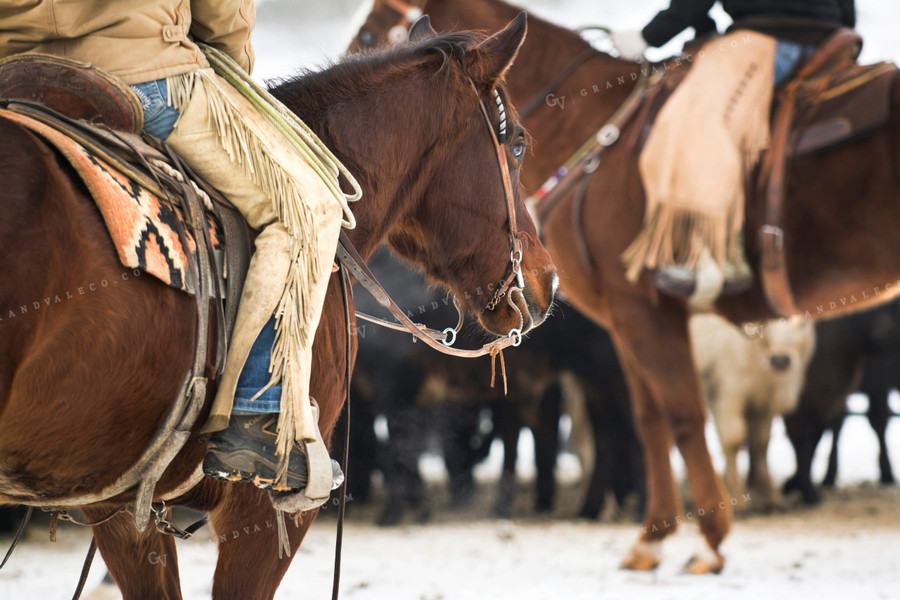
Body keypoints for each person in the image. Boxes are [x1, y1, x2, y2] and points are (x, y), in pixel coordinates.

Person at [0, 0, 352, 503]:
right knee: (309, 206)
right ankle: (261, 413)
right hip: (142, 75)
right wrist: (233, 65)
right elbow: (221, 12)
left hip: (13, 75)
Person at [612, 1, 856, 299]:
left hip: (766, 39)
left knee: (694, 117)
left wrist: (648, 37)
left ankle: (705, 253)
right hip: (833, 44)